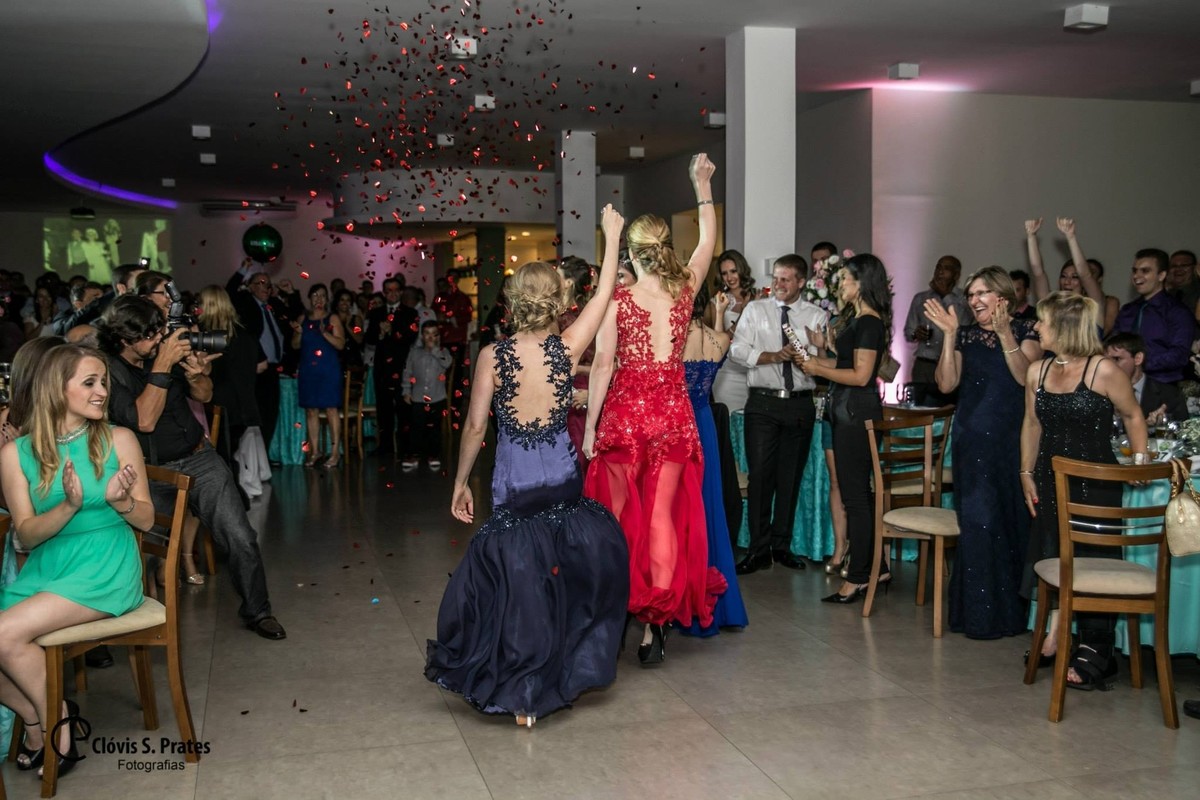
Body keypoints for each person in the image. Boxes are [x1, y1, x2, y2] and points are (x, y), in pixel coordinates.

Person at [426, 207, 629, 727]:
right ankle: (551, 671)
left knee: (522, 586)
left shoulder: (493, 357)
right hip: (560, 480)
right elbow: (604, 295)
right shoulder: (568, 347)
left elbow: (475, 428)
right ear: (558, 303)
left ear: (514, 302)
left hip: (516, 485)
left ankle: (523, 690)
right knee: (557, 576)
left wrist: (460, 482)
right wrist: (611, 237)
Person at [583, 154, 724, 664]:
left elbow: (603, 365)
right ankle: (656, 624)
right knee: (662, 518)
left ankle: (619, 609)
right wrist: (701, 186)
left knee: (621, 518)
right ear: (664, 248)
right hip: (672, 416)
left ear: (631, 253)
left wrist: (590, 427)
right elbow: (707, 242)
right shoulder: (685, 289)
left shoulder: (619, 300)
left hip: (626, 416)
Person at [0, 344, 153, 778]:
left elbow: (146, 519)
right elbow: (26, 533)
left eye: (103, 382)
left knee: (4, 634)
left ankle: (55, 727)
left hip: (105, 566)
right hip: (48, 566)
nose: (102, 391)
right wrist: (68, 506)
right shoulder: (15, 453)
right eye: (90, 382)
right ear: (56, 388)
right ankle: (42, 717)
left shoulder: (119, 439)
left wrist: (121, 502)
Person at [96, 296, 286, 640]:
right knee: (145, 552)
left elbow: (204, 394)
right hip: (150, 473)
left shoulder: (160, 354)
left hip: (199, 457)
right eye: (151, 335)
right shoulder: (109, 373)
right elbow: (144, 420)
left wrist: (198, 375)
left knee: (240, 536)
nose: (160, 339)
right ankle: (127, 625)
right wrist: (162, 365)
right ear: (124, 339)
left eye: (159, 331)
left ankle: (258, 612)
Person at [1019, 292, 1147, 687]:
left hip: (1096, 484)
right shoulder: (1037, 370)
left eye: (1042, 321)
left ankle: (1098, 649)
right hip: (1049, 479)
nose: (1035, 326)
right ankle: (1057, 636)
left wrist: (1139, 462)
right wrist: (1025, 471)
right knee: (1055, 555)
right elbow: (1032, 424)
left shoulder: (1102, 370)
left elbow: (1133, 415)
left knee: (1094, 562)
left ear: (1063, 326)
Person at [924, 267, 1042, 638]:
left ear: (1002, 297)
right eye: (971, 294)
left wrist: (1005, 333)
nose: (973, 300)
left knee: (1010, 521)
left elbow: (1026, 378)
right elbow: (946, 384)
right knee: (978, 523)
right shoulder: (966, 335)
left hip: (1013, 441)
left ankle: (1012, 615)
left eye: (981, 293)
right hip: (971, 440)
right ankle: (978, 616)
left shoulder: (1028, 330)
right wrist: (949, 337)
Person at [801, 254, 892, 603]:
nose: (840, 285)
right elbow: (845, 364)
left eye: (845, 279)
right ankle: (877, 568)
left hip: (856, 414)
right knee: (859, 496)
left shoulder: (869, 323)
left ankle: (858, 577)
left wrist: (819, 370)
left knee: (855, 497)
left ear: (862, 282)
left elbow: (861, 375)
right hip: (849, 412)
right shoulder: (859, 320)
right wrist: (814, 360)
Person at [728, 254, 827, 575]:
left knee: (790, 477)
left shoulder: (816, 315)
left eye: (786, 279)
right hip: (763, 403)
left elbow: (825, 362)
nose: (779, 284)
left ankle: (781, 546)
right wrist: (773, 356)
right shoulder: (756, 310)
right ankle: (758, 549)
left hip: (800, 404)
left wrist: (811, 356)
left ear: (801, 282)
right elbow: (737, 350)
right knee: (760, 477)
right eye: (775, 277)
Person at [679, 285, 748, 635]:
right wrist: (719, 316)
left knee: (683, 513)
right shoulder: (718, 338)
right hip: (704, 422)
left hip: (680, 424)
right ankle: (720, 605)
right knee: (709, 509)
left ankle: (686, 603)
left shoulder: (673, 341)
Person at [226, 264, 290, 454]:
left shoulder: (274, 306)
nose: (266, 287)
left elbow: (296, 316)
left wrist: (291, 293)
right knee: (256, 416)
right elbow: (230, 292)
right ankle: (251, 459)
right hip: (257, 369)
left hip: (274, 369)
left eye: (268, 284)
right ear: (251, 286)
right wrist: (243, 270)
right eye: (261, 283)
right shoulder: (247, 304)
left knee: (270, 414)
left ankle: (264, 458)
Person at [1113, 248, 1196, 385]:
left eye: (1145, 271)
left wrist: (1139, 364)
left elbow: (1179, 355)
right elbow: (1114, 347)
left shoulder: (1177, 312)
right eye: (1135, 271)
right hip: (1123, 383)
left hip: (1161, 385)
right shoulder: (1127, 310)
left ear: (1161, 275)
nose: (1137, 276)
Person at [1025, 218, 1115, 335]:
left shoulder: (1093, 305)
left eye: (1074, 277)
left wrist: (1071, 237)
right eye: (1063, 276)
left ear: (1082, 283)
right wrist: (1031, 236)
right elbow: (1038, 272)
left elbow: (1085, 274)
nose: (1067, 281)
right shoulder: (1052, 306)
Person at [291, 283, 346, 468]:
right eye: (315, 295)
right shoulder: (303, 318)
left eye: (322, 295)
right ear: (309, 299)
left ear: (327, 299)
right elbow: (295, 345)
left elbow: (341, 344)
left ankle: (335, 452)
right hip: (308, 370)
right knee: (311, 411)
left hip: (328, 370)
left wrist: (325, 334)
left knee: (331, 410)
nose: (319, 299)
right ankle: (315, 451)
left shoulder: (333, 318)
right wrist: (298, 333)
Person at [365, 277, 419, 457]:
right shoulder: (376, 313)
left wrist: (392, 331)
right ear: (384, 292)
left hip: (402, 368)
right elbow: (368, 339)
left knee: (404, 409)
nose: (392, 294)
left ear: (401, 292)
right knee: (383, 409)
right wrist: (380, 333)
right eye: (388, 290)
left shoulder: (410, 313)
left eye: (396, 290)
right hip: (381, 369)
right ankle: (385, 447)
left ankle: (405, 448)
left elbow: (411, 336)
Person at [903, 255, 965, 406]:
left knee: (947, 408)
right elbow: (908, 332)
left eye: (947, 269)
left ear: (956, 275)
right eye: (938, 267)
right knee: (918, 410)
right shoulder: (920, 298)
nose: (940, 272)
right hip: (924, 364)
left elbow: (961, 327)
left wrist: (945, 295)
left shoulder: (964, 299)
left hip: (951, 365)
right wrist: (915, 333)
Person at [556, 258, 596, 466]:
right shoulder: (593, 312)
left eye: (558, 276)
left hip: (574, 391)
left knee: (573, 453)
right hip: (592, 385)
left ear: (569, 283)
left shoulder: (563, 318)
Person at [1102, 332, 1189, 425]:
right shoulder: (1099, 394)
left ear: (1138, 358)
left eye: (1117, 359)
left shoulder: (1170, 396)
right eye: (1106, 361)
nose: (1109, 366)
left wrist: (1162, 425)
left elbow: (1185, 430)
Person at [708, 249, 756, 412]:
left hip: (754, 371)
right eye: (724, 273)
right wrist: (743, 314)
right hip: (727, 373)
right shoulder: (717, 302)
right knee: (729, 421)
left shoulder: (758, 298)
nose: (730, 277)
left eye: (733, 271)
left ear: (742, 270)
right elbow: (718, 341)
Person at [401, 321, 452, 471]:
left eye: (433, 334)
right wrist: (406, 390)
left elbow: (447, 363)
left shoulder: (443, 352)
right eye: (427, 333)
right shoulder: (414, 352)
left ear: (438, 336)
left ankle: (433, 455)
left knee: (434, 428)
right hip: (418, 396)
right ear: (422, 336)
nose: (430, 337)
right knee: (416, 426)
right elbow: (407, 372)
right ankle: (414, 454)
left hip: (437, 396)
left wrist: (434, 350)